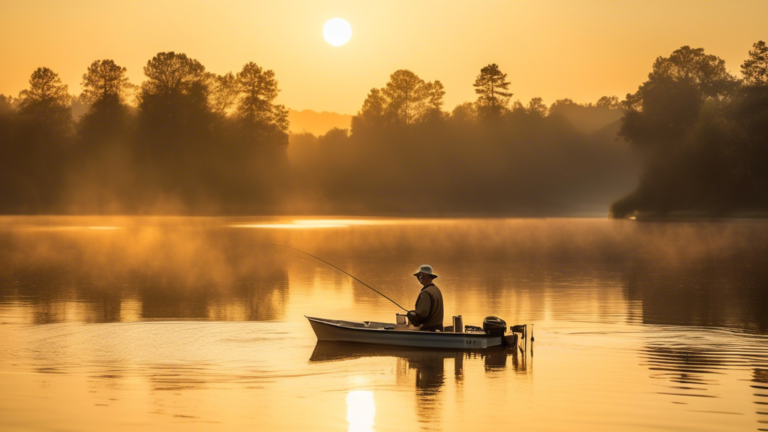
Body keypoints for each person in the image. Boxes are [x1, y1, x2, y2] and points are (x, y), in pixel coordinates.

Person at [407, 264, 444, 331]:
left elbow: (421, 316)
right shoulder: (436, 289)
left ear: (429, 277)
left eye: (422, 275)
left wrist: (411, 315)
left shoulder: (425, 293)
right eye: (418, 276)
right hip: (438, 328)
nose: (420, 278)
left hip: (429, 330)